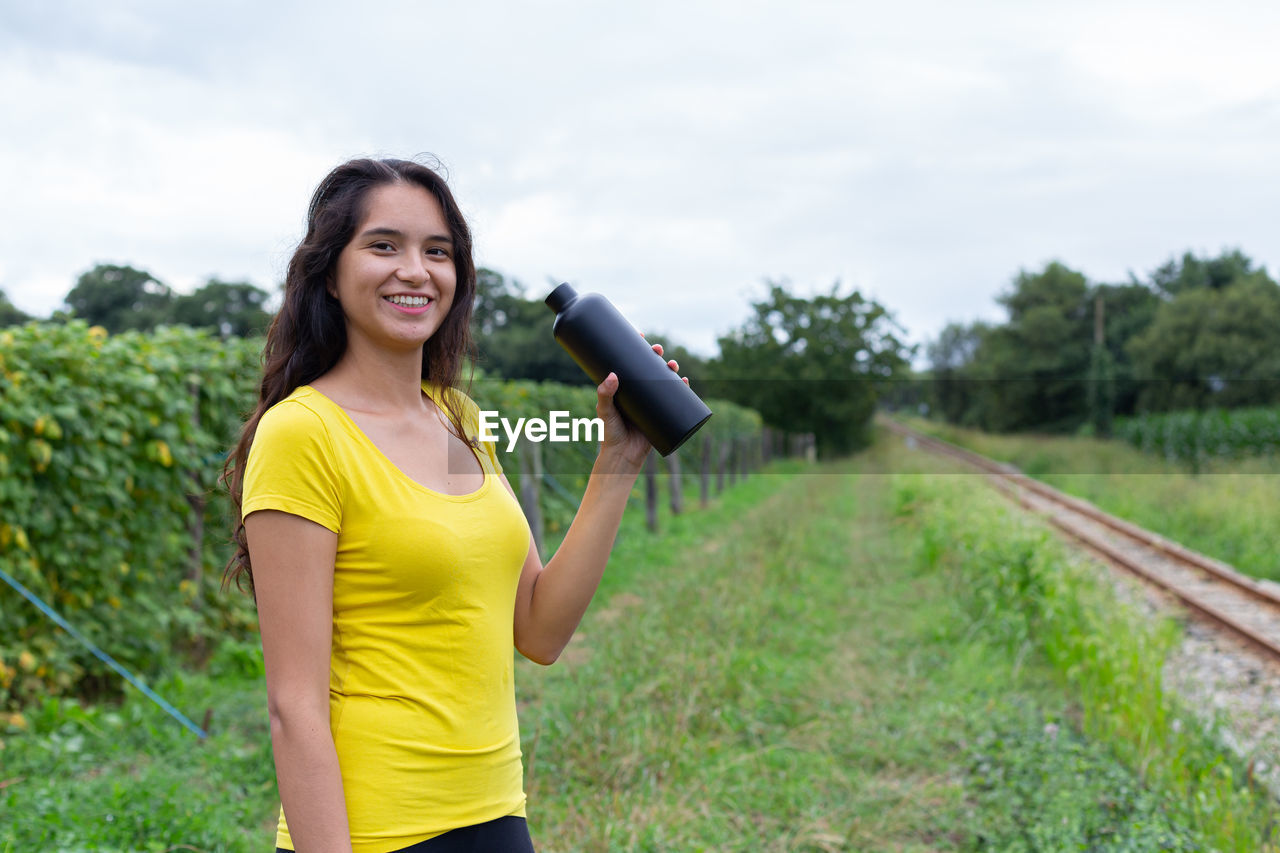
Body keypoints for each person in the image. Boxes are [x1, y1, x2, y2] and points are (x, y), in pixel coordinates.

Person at [222, 157, 685, 852]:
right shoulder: (303, 432)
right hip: (377, 828)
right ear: (329, 273)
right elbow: (294, 707)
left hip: (495, 810)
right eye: (384, 245)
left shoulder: (458, 417)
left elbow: (539, 629)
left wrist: (617, 463)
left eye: (437, 251)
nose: (416, 269)